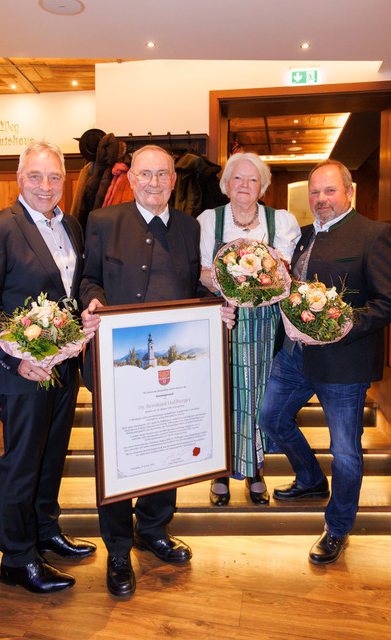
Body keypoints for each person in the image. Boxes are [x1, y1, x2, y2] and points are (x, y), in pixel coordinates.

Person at [80, 144, 234, 598]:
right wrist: (93, 302)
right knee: (118, 456)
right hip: (119, 367)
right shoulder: (102, 221)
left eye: (162, 174)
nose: (154, 182)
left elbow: (191, 290)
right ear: (131, 179)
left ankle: (153, 530)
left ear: (173, 180)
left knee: (166, 446)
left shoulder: (189, 226)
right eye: (145, 174)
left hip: (170, 367)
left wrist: (216, 310)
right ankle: (117, 550)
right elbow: (88, 279)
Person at [0, 141, 96, 594]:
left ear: (65, 181)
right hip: (20, 372)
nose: (45, 186)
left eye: (54, 177)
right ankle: (18, 559)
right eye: (36, 176)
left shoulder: (71, 225)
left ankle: (45, 531)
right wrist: (14, 357)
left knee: (52, 455)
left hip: (63, 366)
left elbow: (72, 289)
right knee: (21, 464)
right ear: (20, 179)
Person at [259, 159, 391, 564]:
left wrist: (342, 326)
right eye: (315, 192)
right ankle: (311, 479)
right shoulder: (301, 236)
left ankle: (337, 528)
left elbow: (385, 302)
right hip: (293, 356)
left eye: (329, 190)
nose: (321, 199)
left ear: (349, 192)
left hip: (343, 364)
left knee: (346, 452)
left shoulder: (374, 234)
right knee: (270, 419)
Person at [198, 152, 300, 506]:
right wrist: (230, 284)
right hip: (222, 319)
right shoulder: (208, 220)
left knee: (258, 396)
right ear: (226, 184)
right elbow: (200, 271)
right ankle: (221, 469)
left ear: (263, 187)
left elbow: (283, 274)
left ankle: (255, 468)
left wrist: (257, 284)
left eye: (252, 179)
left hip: (264, 324)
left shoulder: (281, 221)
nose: (244, 185)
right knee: (223, 394)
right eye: (237, 178)